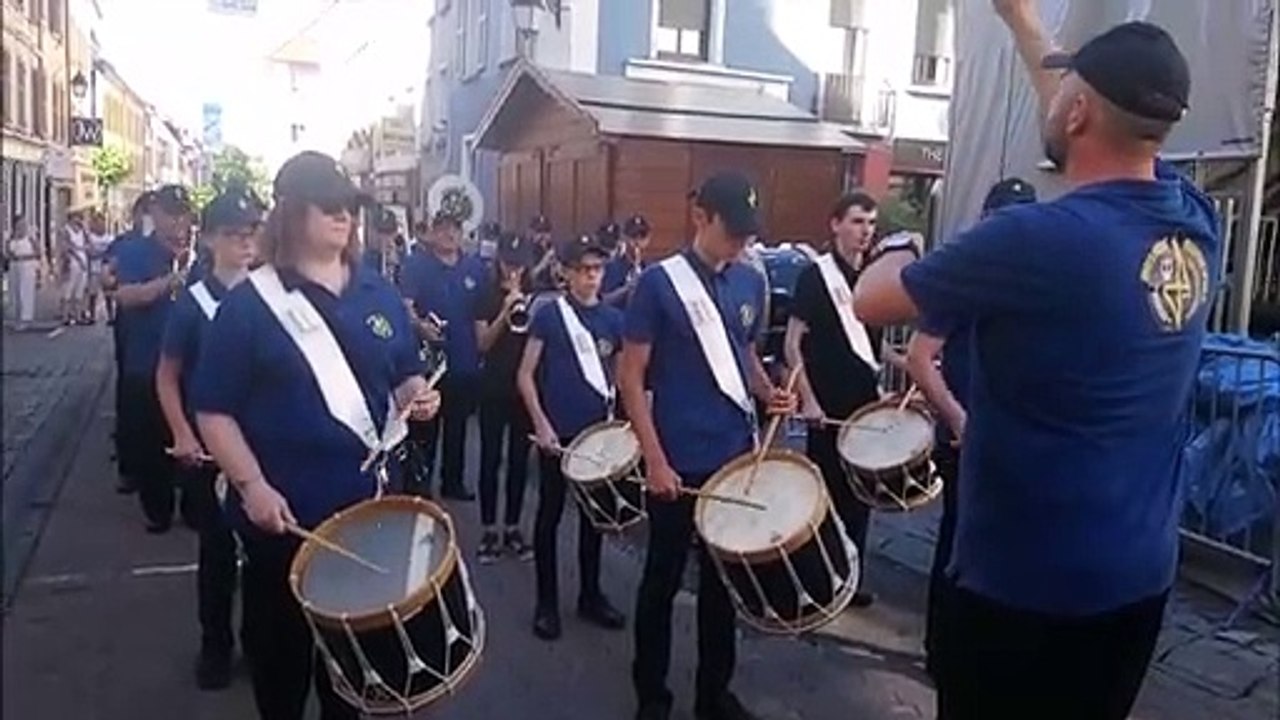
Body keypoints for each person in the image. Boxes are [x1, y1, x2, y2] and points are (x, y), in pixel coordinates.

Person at [853, 5, 1221, 718]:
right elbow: (1090, 115)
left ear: (1079, 114)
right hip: (1138, 579)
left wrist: (903, 246)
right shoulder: (1194, 219)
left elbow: (871, 300)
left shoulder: (1034, 240)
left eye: (1066, 96)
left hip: (1023, 590)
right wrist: (1022, 21)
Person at [191, 150, 441, 720]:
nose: (343, 216)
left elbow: (404, 371)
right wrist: (252, 485)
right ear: (290, 212)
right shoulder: (249, 305)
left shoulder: (379, 292)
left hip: (366, 522)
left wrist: (419, 395)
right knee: (280, 678)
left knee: (352, 686)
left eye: (348, 205)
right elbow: (213, 410)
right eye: (327, 205)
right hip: (284, 526)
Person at [619, 172, 796, 720]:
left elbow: (743, 352)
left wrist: (768, 391)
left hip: (733, 458)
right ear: (700, 217)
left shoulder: (749, 282)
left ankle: (713, 694)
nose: (742, 242)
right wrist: (654, 458)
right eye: (733, 230)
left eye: (748, 232)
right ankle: (652, 696)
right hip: (676, 463)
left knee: (724, 587)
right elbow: (630, 376)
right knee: (662, 582)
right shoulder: (658, 284)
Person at [905, 177, 1037, 679]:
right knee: (959, 545)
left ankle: (989, 651)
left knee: (1003, 550)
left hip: (1010, 439)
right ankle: (942, 651)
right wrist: (959, 417)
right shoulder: (967, 280)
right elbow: (920, 357)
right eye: (1004, 219)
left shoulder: (1032, 284)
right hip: (965, 439)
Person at [156, 188, 262, 690]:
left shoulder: (268, 296)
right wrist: (181, 431)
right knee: (217, 554)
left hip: (261, 445)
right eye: (235, 235)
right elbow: (167, 375)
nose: (246, 243)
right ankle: (215, 647)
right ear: (212, 239)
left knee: (264, 554)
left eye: (251, 233)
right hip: (209, 448)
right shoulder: (195, 303)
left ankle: (260, 643)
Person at [518, 233, 628, 642]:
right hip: (558, 434)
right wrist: (541, 423)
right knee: (549, 516)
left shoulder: (615, 320)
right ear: (565, 273)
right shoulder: (550, 315)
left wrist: (625, 427)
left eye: (597, 269)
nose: (591, 277)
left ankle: (590, 595)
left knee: (594, 520)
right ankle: (546, 603)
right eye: (583, 269)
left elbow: (622, 379)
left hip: (597, 436)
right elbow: (525, 374)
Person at [784, 191, 883, 608]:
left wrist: (909, 365)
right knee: (826, 495)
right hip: (826, 406)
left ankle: (850, 578)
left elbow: (871, 347)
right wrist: (808, 399)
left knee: (861, 496)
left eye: (871, 223)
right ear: (836, 224)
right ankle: (820, 579)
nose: (866, 231)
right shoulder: (816, 276)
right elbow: (792, 344)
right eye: (858, 221)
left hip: (864, 405)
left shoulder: (875, 277)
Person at [113, 185, 196, 533]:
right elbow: (125, 295)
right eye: (170, 214)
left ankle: (193, 508)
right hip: (147, 360)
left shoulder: (201, 253)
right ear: (156, 214)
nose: (177, 222)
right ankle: (158, 510)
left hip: (191, 364)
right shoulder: (136, 251)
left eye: (182, 214)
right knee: (152, 444)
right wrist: (170, 281)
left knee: (194, 440)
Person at [399, 210, 486, 500]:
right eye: (444, 228)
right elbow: (405, 306)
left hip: (464, 361)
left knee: (457, 427)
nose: (450, 234)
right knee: (425, 428)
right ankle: (421, 488)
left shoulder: (474, 267)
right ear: (432, 233)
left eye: (455, 229)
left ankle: (453, 483)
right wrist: (420, 326)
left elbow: (482, 312)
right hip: (428, 363)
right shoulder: (416, 265)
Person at [473, 231, 536, 563]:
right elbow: (483, 343)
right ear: (498, 262)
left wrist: (524, 302)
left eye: (520, 265)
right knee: (490, 458)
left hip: (523, 389)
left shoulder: (536, 295)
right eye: (509, 264)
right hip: (494, 386)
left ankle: (512, 527)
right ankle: (488, 529)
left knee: (518, 461)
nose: (514, 271)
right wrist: (506, 309)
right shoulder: (485, 294)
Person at [603, 213, 651, 307]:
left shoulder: (650, 269)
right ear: (625, 238)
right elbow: (603, 301)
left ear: (648, 239)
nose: (637, 242)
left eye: (642, 237)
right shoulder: (611, 267)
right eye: (633, 237)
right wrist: (627, 288)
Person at [6, 215, 42, 330]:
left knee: (25, 291)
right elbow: (8, 252)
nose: (22, 226)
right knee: (15, 291)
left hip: (27, 266)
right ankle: (16, 317)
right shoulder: (11, 238)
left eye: (24, 224)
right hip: (15, 265)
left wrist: (27, 257)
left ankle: (26, 318)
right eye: (19, 224)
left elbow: (38, 252)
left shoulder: (30, 238)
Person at [59, 208, 91, 325]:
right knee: (68, 289)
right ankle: (65, 316)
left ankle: (78, 316)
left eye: (79, 218)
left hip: (83, 261)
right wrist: (78, 256)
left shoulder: (83, 231)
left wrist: (84, 249)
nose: (78, 220)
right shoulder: (66, 230)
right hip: (71, 262)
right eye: (75, 217)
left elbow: (88, 244)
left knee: (80, 289)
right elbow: (67, 247)